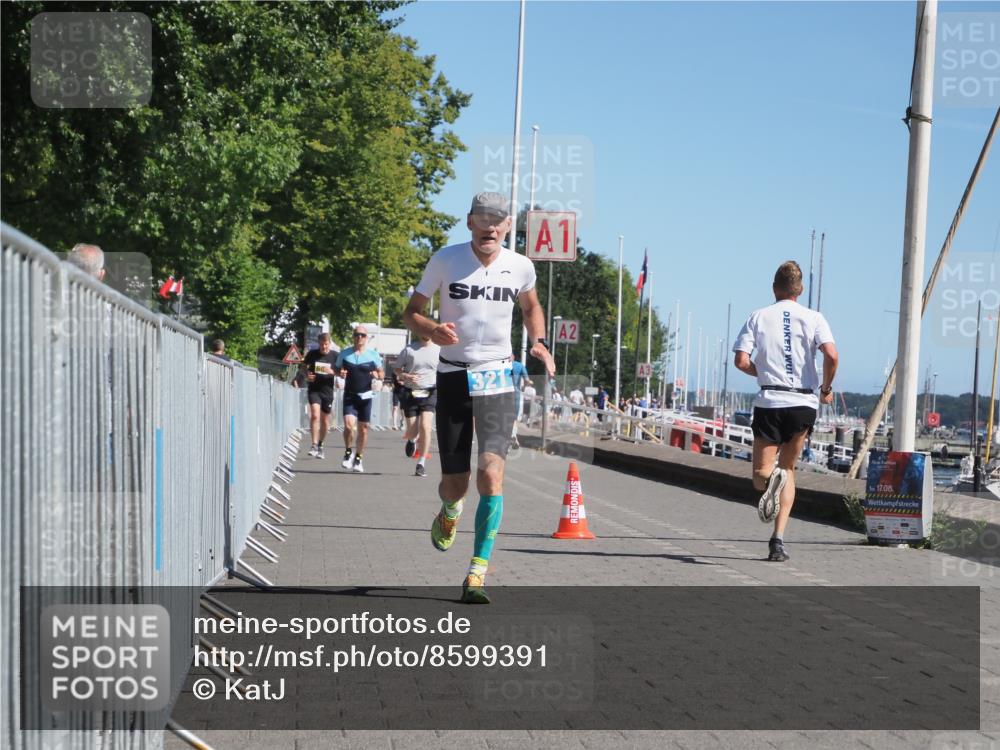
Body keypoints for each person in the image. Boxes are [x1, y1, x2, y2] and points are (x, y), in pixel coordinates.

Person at [403, 191, 555, 604]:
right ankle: (449, 512)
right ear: (469, 221)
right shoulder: (446, 259)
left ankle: (477, 574)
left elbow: (531, 308)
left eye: (498, 220)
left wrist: (539, 342)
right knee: (456, 483)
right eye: (482, 218)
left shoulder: (520, 266)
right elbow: (411, 310)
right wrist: (430, 329)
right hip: (453, 376)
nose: (490, 226)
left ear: (508, 226)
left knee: (491, 474)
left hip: (497, 379)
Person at [733, 260, 838, 562]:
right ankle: (777, 541)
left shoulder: (759, 316)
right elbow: (831, 355)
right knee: (788, 470)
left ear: (774, 287)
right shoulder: (815, 317)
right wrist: (826, 388)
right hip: (804, 404)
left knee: (759, 476)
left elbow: (741, 360)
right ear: (800, 290)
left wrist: (764, 373)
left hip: (771, 401)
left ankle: (770, 482)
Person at [336, 325, 384, 473]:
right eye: (357, 335)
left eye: (362, 335)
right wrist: (341, 373)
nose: (359, 337)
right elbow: (337, 369)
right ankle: (348, 452)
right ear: (353, 336)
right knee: (349, 426)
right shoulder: (344, 354)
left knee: (363, 430)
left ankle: (359, 457)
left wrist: (378, 376)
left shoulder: (373, 355)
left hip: (366, 396)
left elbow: (382, 373)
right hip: (350, 395)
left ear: (366, 338)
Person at [396, 335, 441, 477]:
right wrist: (405, 376)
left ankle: (421, 463)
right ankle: (411, 440)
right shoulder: (409, 350)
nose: (426, 333)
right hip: (412, 392)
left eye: (429, 331)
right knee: (412, 430)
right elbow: (397, 369)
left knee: (426, 426)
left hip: (430, 391)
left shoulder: (440, 350)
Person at [302, 334, 338, 459]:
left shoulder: (335, 356)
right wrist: (307, 375)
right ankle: (313, 444)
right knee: (315, 415)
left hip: (327, 391)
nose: (324, 346)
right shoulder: (312, 354)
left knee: (324, 420)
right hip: (314, 389)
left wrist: (332, 372)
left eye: (326, 344)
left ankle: (321, 445)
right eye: (322, 344)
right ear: (318, 343)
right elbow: (303, 367)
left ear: (329, 343)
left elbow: (341, 371)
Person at [510, 358, 530, 448]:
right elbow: (526, 379)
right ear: (513, 357)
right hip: (516, 393)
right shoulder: (519, 365)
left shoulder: (502, 364)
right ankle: (513, 435)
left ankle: (507, 436)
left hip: (504, 393)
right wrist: (524, 388)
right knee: (514, 417)